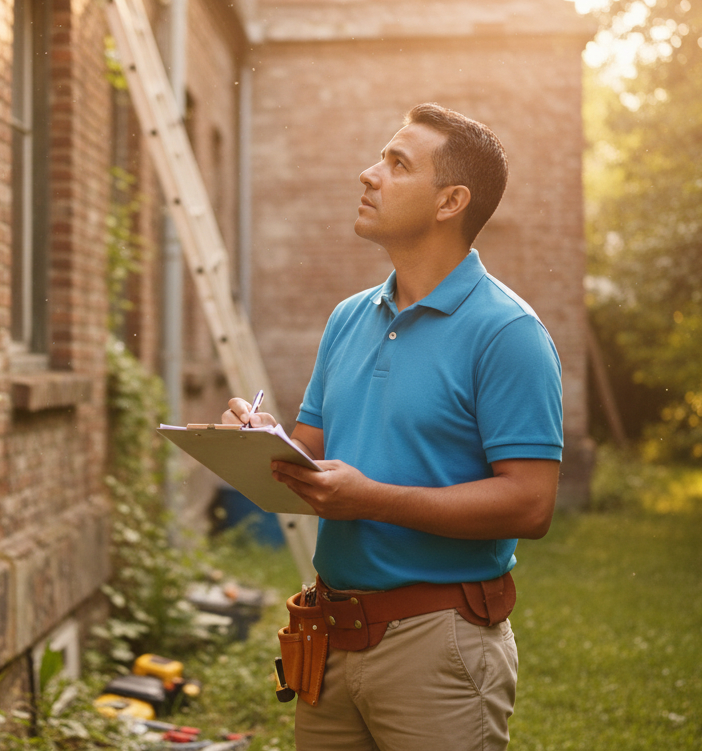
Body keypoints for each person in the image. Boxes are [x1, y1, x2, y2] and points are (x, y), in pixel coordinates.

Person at [223, 103, 563, 751]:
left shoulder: (508, 333)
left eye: (397, 164)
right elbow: (312, 460)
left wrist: (371, 500)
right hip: (330, 637)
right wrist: (260, 439)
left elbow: (532, 503)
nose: (368, 174)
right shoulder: (348, 318)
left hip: (438, 646)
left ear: (450, 201)